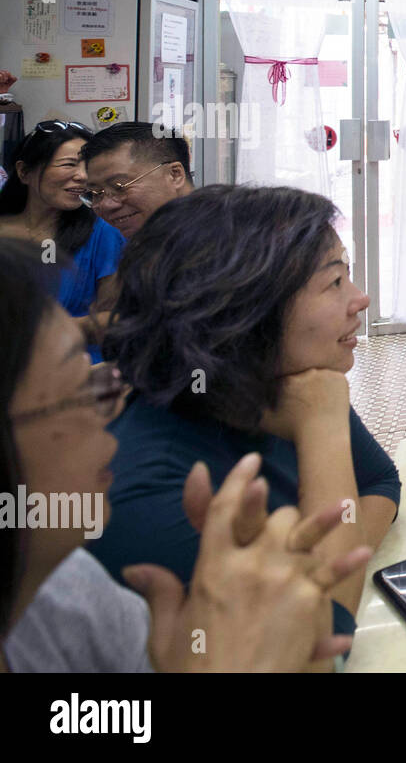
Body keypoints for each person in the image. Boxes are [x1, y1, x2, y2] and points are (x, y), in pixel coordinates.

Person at [0, 237, 370, 672]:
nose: (109, 425)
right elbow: (327, 629)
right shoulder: (139, 504)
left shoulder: (65, 587)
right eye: (79, 392)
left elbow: (380, 482)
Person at [84, 185, 400, 639]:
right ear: (242, 311)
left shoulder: (283, 380)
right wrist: (322, 427)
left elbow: (378, 482)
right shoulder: (148, 495)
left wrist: (331, 567)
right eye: (334, 282)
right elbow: (314, 639)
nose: (360, 298)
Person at [0, 121, 124, 357]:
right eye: (69, 165)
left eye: (88, 166)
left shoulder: (103, 235)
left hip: (74, 371)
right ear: (24, 171)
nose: (82, 176)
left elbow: (115, 317)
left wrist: (47, 332)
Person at [80, 122, 196, 239]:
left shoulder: (210, 242)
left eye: (119, 186)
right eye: (96, 193)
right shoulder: (140, 248)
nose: (106, 205)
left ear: (175, 175)